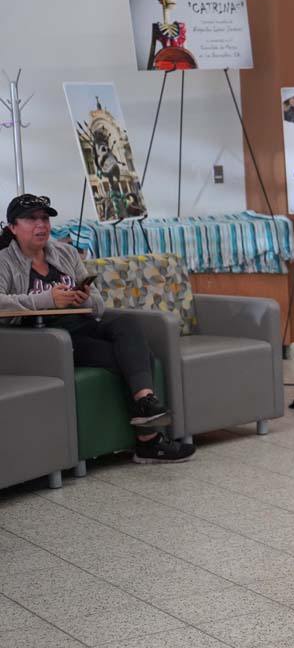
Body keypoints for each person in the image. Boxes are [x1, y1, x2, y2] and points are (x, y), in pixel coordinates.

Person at [0, 194, 195, 464]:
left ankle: (145, 405)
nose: (41, 225)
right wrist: (48, 300)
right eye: (31, 219)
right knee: (140, 357)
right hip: (51, 338)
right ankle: (148, 440)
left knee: (128, 324)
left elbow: (99, 304)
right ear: (12, 227)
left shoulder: (65, 252)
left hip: (84, 324)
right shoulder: (4, 261)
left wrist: (85, 299)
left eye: (44, 218)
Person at [146, 0, 197, 71]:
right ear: (160, 0)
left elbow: (187, 53)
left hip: (182, 65)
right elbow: (152, 54)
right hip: (163, 64)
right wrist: (148, 71)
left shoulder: (181, 26)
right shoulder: (156, 27)